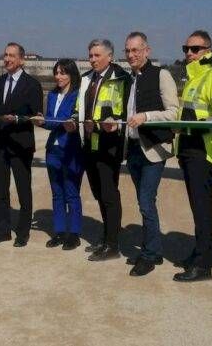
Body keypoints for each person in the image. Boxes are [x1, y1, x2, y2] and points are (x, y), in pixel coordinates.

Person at [173, 30, 212, 282]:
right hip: (187, 147)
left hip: (202, 150)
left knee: (203, 209)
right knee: (197, 209)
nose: (189, 53)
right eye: (185, 48)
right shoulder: (193, 76)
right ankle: (198, 253)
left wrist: (192, 123)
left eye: (195, 49)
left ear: (207, 50)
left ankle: (204, 265)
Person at [64, 39, 131, 262]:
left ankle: (113, 245)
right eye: (90, 55)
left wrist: (112, 122)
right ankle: (106, 237)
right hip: (88, 143)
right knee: (98, 193)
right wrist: (74, 121)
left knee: (109, 194)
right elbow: (78, 109)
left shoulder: (122, 78)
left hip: (109, 145)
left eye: (96, 55)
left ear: (110, 56)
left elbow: (128, 112)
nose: (92, 59)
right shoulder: (85, 80)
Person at [122, 32, 179, 276]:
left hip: (153, 149)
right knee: (144, 202)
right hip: (134, 149)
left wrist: (146, 117)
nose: (131, 55)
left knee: (146, 202)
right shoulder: (129, 80)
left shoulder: (161, 75)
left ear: (147, 51)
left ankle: (149, 255)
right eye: (128, 51)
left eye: (136, 50)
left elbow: (174, 112)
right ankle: (152, 249)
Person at [0, 42, 43, 247]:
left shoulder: (32, 84)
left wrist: (17, 119)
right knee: (1, 189)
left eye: (11, 55)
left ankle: (23, 232)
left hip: (21, 144)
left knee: (23, 189)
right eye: (5, 55)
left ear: (21, 59)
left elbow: (35, 114)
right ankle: (2, 230)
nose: (7, 59)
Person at [32, 59, 84, 250]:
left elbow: (63, 120)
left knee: (71, 193)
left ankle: (75, 234)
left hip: (71, 149)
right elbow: (53, 121)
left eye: (63, 73)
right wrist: (40, 121)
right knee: (57, 193)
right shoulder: (52, 94)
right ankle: (60, 231)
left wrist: (46, 121)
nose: (58, 76)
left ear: (71, 74)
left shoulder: (78, 94)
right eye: (56, 73)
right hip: (52, 149)